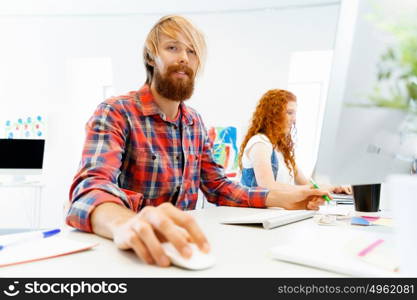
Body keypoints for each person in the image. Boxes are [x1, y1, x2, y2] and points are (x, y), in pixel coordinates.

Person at [66, 16, 330, 268]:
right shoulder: (115, 112)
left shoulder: (194, 122)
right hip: (130, 256)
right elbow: (89, 189)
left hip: (182, 251)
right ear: (150, 57)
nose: (184, 58)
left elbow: (219, 187)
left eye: (192, 52)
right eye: (173, 48)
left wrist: (283, 199)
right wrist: (125, 223)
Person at [238, 89, 351, 194]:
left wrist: (335, 187)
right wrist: (309, 190)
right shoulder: (260, 143)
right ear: (272, 114)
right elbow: (268, 186)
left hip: (281, 211)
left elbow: (305, 183)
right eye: (289, 113)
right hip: (262, 213)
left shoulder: (280, 147)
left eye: (294, 113)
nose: (294, 119)